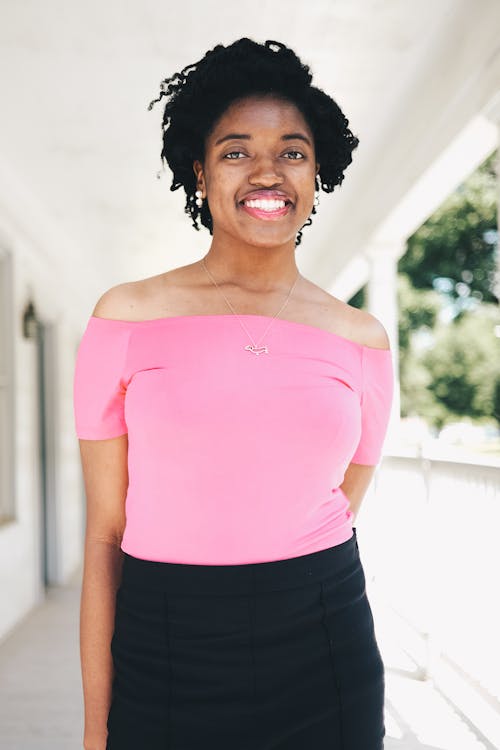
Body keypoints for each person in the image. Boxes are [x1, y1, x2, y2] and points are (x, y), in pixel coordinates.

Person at [74, 37, 394, 750]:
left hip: (323, 638)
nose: (266, 171)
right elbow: (105, 538)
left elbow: (340, 500)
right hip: (165, 646)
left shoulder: (362, 339)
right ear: (199, 171)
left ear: (317, 174)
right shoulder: (125, 318)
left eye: (292, 151)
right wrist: (97, 728)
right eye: (236, 151)